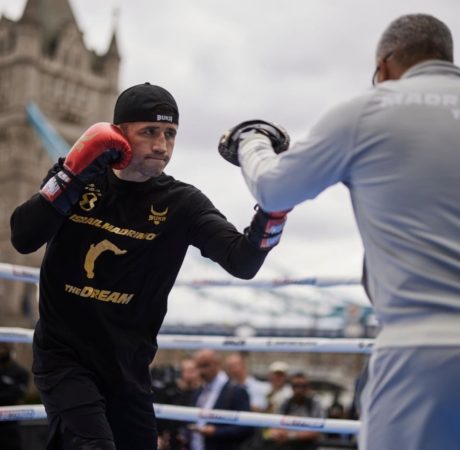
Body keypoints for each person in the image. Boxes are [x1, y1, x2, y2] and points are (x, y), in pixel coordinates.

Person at [218, 13, 460, 450]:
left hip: (420, 347)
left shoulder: (368, 111)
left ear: (384, 66)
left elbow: (274, 190)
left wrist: (251, 140)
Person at [9, 83, 290, 450]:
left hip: (129, 368)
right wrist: (72, 174)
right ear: (119, 133)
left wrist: (273, 213)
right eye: (150, 131)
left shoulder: (182, 203)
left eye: (170, 133)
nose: (161, 145)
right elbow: (24, 237)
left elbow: (242, 262)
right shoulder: (79, 180)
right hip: (64, 358)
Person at [189, 349, 253, 450]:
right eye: (198, 366)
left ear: (217, 363)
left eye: (205, 365)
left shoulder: (236, 391)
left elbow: (247, 428)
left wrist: (216, 432)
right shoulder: (198, 391)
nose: (202, 371)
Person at [262, 373, 324, 450]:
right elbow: (276, 424)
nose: (299, 389)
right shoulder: (286, 403)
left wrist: (291, 435)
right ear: (291, 387)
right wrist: (277, 433)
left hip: (308, 445)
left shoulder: (314, 403)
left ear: (308, 387)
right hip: (287, 445)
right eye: (295, 386)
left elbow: (317, 431)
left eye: (303, 386)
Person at [0, 343, 30, 450]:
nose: (1, 351)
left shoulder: (20, 372)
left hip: (11, 423)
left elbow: (16, 395)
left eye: (3, 348)